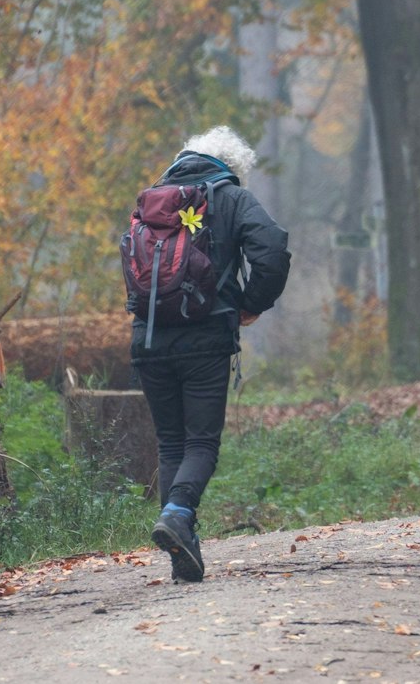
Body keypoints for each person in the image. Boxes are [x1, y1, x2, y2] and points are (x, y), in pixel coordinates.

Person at [126, 126, 290, 582]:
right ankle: (177, 514)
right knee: (200, 443)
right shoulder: (231, 198)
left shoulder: (152, 200)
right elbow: (272, 250)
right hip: (205, 339)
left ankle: (183, 550)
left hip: (149, 338)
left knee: (171, 443)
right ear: (233, 167)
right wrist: (251, 304)